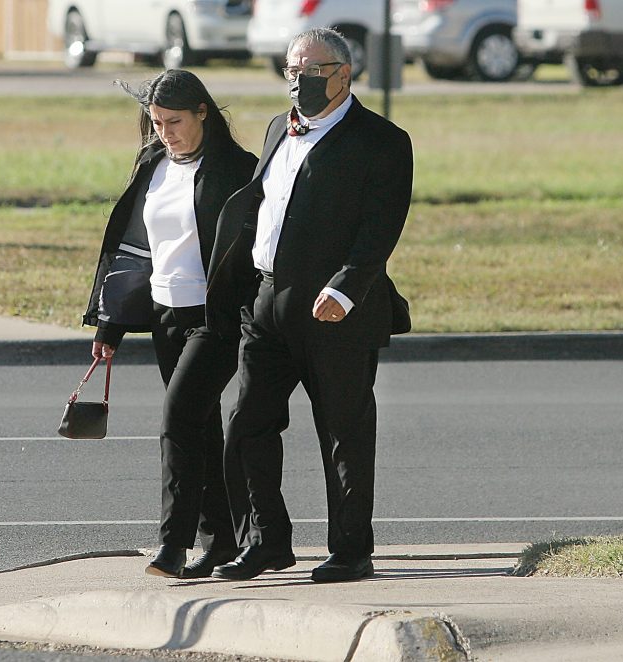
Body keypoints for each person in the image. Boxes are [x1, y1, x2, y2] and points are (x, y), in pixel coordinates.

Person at [204, 27, 413, 582]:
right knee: (248, 424)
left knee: (343, 431)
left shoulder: (383, 141)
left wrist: (345, 288)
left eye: (313, 72)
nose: (300, 82)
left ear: (344, 74)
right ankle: (267, 541)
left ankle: (350, 549)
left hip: (336, 310)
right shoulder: (279, 128)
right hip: (268, 303)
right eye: (292, 71)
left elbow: (379, 229)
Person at [82, 70, 257, 577]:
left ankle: (173, 544)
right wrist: (110, 326)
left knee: (178, 417)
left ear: (203, 111)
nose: (165, 132)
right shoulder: (153, 164)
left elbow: (253, 249)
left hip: (215, 317)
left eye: (174, 121)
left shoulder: (238, 168)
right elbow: (135, 249)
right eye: (156, 122)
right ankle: (222, 538)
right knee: (200, 429)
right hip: (165, 315)